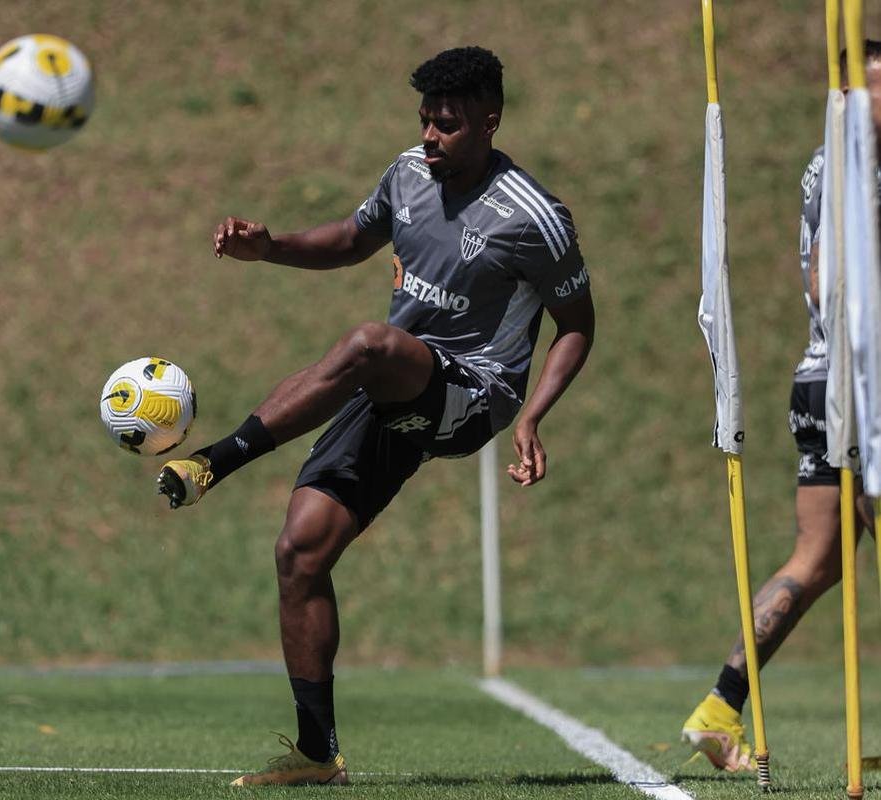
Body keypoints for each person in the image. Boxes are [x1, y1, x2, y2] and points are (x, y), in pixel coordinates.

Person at [156, 46, 595, 786]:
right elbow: (354, 240)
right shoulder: (406, 175)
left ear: (490, 121)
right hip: (396, 382)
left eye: (448, 124)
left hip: (474, 395)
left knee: (367, 343)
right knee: (299, 553)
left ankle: (215, 460)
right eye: (425, 120)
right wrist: (272, 249)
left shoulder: (535, 218)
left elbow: (578, 322)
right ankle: (316, 753)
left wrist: (532, 417)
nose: (430, 135)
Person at [680, 41, 881, 772]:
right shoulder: (849, 167)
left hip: (823, 377)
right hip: (857, 385)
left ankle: (719, 706)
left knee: (818, 559)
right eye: (874, 88)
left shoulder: (844, 163)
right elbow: (831, 283)